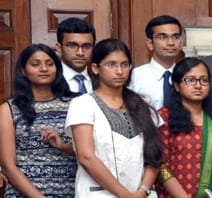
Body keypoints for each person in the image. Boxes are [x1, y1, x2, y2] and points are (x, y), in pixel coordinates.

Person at [66, 38, 162, 197]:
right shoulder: (82, 104)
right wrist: (125, 195)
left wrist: (143, 190)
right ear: (95, 68)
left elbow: (155, 155)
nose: (119, 71)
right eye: (111, 65)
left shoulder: (143, 104)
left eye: (125, 65)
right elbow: (86, 157)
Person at [0, 44, 80, 197]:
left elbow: (89, 151)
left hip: (71, 191)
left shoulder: (76, 104)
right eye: (35, 64)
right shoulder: (9, 109)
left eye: (50, 64)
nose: (44, 69)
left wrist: (63, 146)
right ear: (23, 70)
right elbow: (8, 165)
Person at [154, 58, 212, 197]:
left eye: (204, 80)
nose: (198, 85)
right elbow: (161, 165)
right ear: (176, 85)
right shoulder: (163, 118)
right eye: (190, 80)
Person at [130, 15, 185, 109]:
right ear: (150, 44)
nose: (171, 43)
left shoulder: (188, 76)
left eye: (175, 37)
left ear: (181, 43)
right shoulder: (135, 77)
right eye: (162, 37)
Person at [55, 17, 96, 94]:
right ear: (59, 48)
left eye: (86, 46)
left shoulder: (102, 81)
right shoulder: (49, 80)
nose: (80, 53)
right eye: (72, 46)